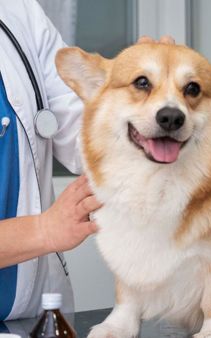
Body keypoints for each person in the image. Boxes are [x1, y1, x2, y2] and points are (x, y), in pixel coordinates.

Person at [0, 0, 101, 320]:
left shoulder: (18, 12)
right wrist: (43, 230)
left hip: (34, 316)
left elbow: (83, 136)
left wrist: (139, 102)